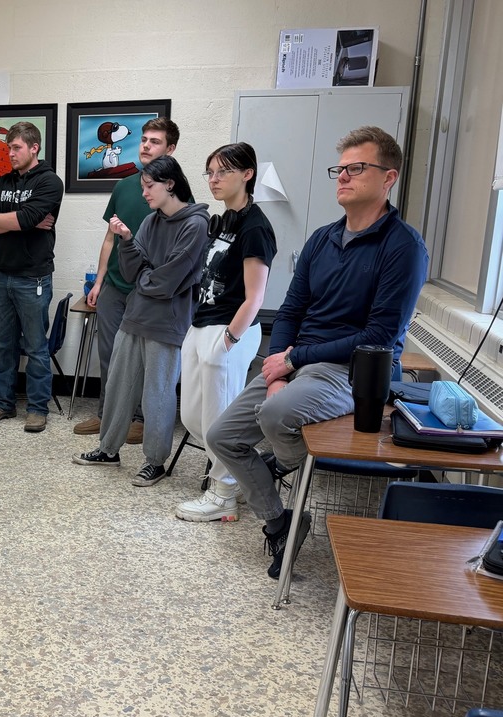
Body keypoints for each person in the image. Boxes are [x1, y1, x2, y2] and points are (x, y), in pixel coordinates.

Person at [207, 125, 429, 578]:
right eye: (340, 169)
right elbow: (291, 309)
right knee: (221, 437)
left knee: (275, 416)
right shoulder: (322, 239)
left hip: (353, 371)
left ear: (389, 178)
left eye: (357, 168)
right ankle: (282, 519)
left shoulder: (404, 247)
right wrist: (280, 370)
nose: (343, 177)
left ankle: (287, 465)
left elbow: (379, 335)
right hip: (300, 361)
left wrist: (292, 362)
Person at [72, 156, 210, 486]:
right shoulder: (151, 222)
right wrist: (125, 240)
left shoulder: (196, 224)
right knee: (119, 386)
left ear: (170, 184)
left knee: (157, 395)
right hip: (134, 316)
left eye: (149, 187)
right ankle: (108, 449)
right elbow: (134, 272)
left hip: (167, 323)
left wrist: (147, 277)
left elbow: (167, 282)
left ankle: (155, 461)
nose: (144, 193)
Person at [175, 143, 276, 522]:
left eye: (223, 172)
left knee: (219, 418)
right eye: (210, 172)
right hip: (203, 323)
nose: (214, 180)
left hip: (230, 329)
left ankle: (225, 494)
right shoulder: (225, 220)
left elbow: (256, 296)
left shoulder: (255, 228)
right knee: (193, 417)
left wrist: (229, 341)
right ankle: (241, 475)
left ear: (247, 174)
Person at [76, 117, 184, 446]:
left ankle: (139, 418)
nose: (146, 145)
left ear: (171, 149)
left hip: (147, 291)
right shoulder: (124, 185)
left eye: (155, 141)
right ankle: (107, 412)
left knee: (142, 360)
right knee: (110, 353)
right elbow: (110, 238)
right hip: (114, 287)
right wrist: (98, 282)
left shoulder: (174, 193)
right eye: (144, 140)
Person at [0, 121, 64, 433]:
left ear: (34, 147)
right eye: (9, 147)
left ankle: (38, 408)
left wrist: (6, 220)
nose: (10, 153)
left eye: (17, 148)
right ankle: (2, 403)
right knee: (3, 345)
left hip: (33, 277)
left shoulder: (50, 182)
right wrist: (10, 221)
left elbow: (22, 218)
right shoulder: (1, 181)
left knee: (36, 347)